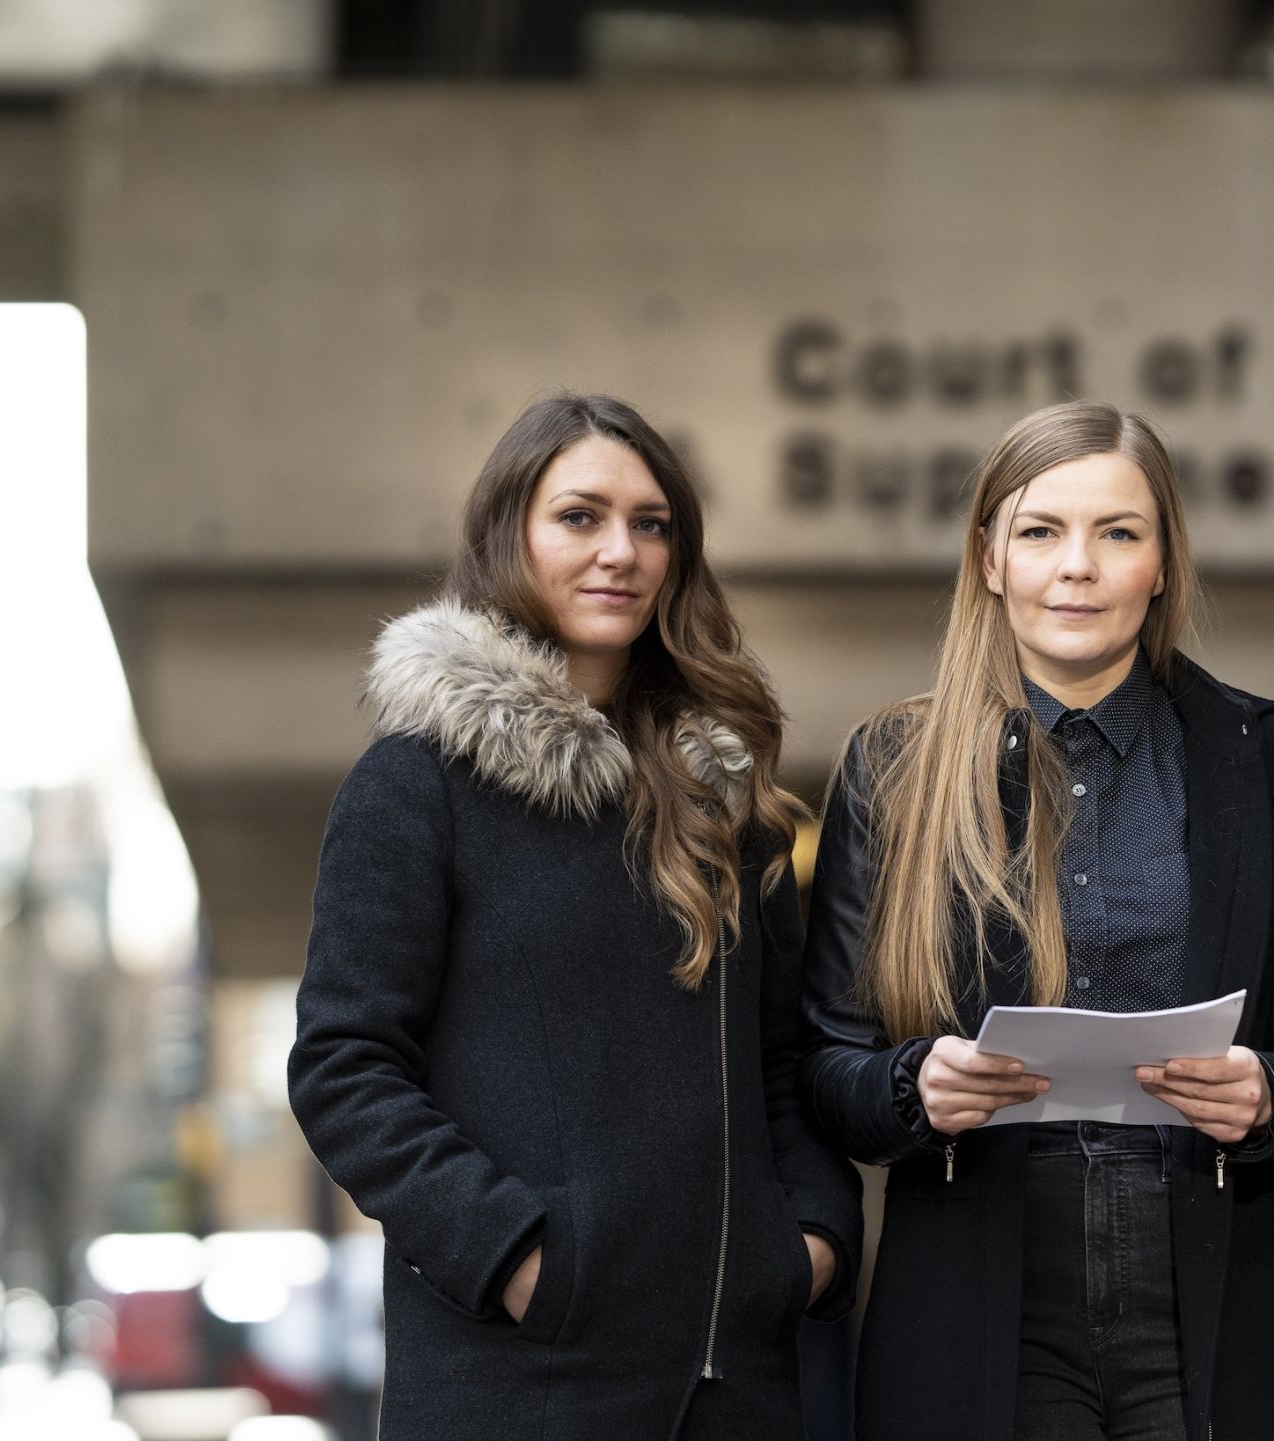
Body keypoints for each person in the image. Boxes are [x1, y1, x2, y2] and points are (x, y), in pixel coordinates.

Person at [288, 392, 863, 1440]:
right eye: (580, 517)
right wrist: (518, 1258)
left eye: (652, 525)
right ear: (511, 534)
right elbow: (344, 1066)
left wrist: (810, 1240)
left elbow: (781, 1061)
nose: (622, 552)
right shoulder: (416, 785)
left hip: (732, 1386)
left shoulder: (722, 805)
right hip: (521, 1385)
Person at [799, 400, 1274, 1441]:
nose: (1079, 566)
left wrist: (1267, 1091)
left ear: (1161, 563)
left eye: (1118, 532)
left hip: (1218, 1274)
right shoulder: (890, 771)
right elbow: (825, 1064)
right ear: (989, 560)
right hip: (979, 1285)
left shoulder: (1273, 762)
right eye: (1040, 531)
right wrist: (910, 1083)